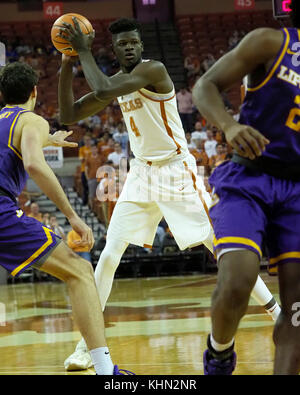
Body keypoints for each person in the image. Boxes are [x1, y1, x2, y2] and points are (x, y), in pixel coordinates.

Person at [58, 17, 280, 371]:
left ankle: (277, 313)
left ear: (140, 45)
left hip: (176, 170)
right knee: (110, 254)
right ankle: (86, 346)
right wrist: (68, 66)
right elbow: (69, 113)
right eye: (122, 43)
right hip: (141, 173)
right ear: (114, 50)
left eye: (134, 41)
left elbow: (101, 91)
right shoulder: (116, 81)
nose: (129, 46)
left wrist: (83, 51)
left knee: (221, 248)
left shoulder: (153, 70)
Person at [0, 61, 131, 375]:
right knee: (81, 271)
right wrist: (72, 215)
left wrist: (45, 139)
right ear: (34, 92)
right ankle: (104, 370)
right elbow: (32, 164)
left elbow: (12, 145)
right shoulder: (31, 119)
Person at [192, 0, 300, 375]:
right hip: (249, 179)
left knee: (297, 311)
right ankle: (219, 353)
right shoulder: (270, 42)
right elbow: (205, 84)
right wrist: (229, 125)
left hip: (297, 192)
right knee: (238, 279)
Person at [85, 143, 104, 207]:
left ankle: (98, 209)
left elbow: (104, 167)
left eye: (95, 148)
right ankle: (91, 208)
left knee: (100, 193)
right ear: (91, 150)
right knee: (91, 194)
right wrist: (87, 177)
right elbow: (86, 168)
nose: (94, 150)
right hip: (92, 177)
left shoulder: (101, 157)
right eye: (92, 149)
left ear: (97, 149)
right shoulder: (88, 158)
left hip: (100, 178)